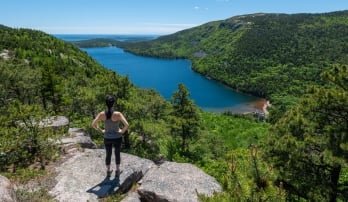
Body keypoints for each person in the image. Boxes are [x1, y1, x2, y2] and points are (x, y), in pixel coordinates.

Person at [92, 95, 129, 177]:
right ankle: (117, 171)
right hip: (117, 137)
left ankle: (108, 171)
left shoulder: (102, 114)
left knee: (108, 154)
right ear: (113, 103)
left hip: (107, 137)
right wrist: (121, 132)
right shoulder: (118, 114)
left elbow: (93, 124)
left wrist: (101, 130)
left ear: (106, 103)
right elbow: (126, 125)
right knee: (117, 153)